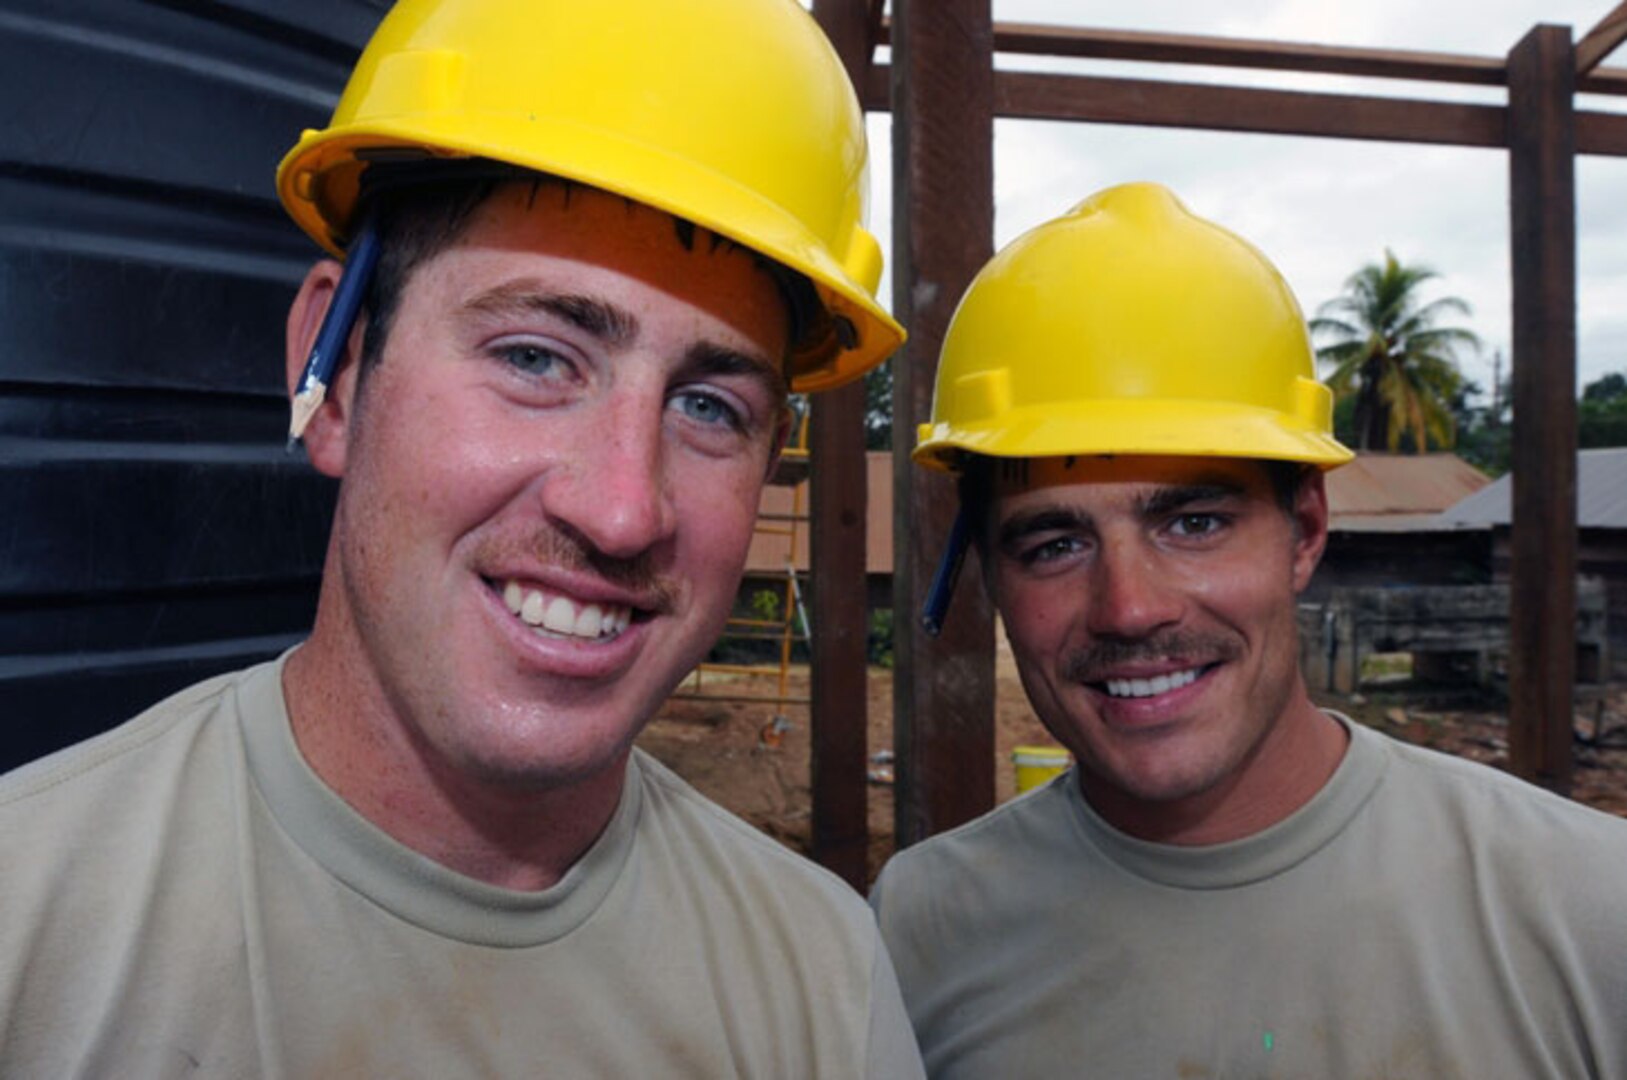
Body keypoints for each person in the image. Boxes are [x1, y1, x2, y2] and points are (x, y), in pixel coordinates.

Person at [0, 1, 925, 1075]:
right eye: (535, 358)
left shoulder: (819, 984)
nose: (623, 509)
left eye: (709, 408)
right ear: (334, 373)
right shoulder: (26, 933)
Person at [871, 181, 1627, 1078]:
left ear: (1305, 531)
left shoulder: (1588, 909)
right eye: (1054, 542)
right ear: (990, 577)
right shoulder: (914, 932)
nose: (1128, 607)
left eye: (1192, 524)